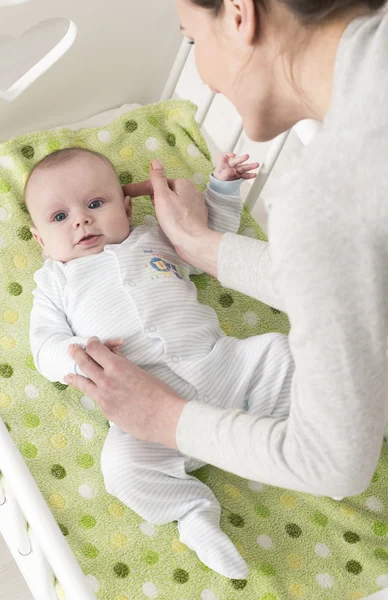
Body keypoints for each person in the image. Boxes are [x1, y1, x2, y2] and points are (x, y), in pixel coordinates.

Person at [66, 0, 388, 499]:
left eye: (191, 39)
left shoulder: (325, 199)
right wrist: (199, 244)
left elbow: (333, 465)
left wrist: (164, 418)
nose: (205, 76)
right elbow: (350, 278)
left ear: (240, 14)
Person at [27, 147, 291, 578]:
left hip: (225, 367)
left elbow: (210, 242)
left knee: (280, 353)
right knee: (121, 470)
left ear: (127, 207)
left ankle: (294, 447)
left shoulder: (153, 235)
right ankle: (192, 513)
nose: (81, 220)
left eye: (95, 204)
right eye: (60, 217)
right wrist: (82, 353)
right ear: (40, 240)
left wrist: (222, 188)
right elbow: (43, 347)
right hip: (145, 416)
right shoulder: (54, 282)